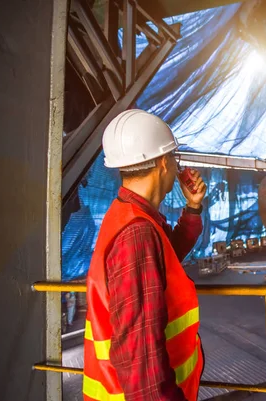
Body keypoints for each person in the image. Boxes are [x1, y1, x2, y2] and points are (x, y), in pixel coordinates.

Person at [83, 109, 207, 401]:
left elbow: (166, 259)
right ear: (164, 163)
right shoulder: (136, 234)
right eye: (175, 158)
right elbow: (143, 364)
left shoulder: (132, 216)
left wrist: (192, 209)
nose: (177, 166)